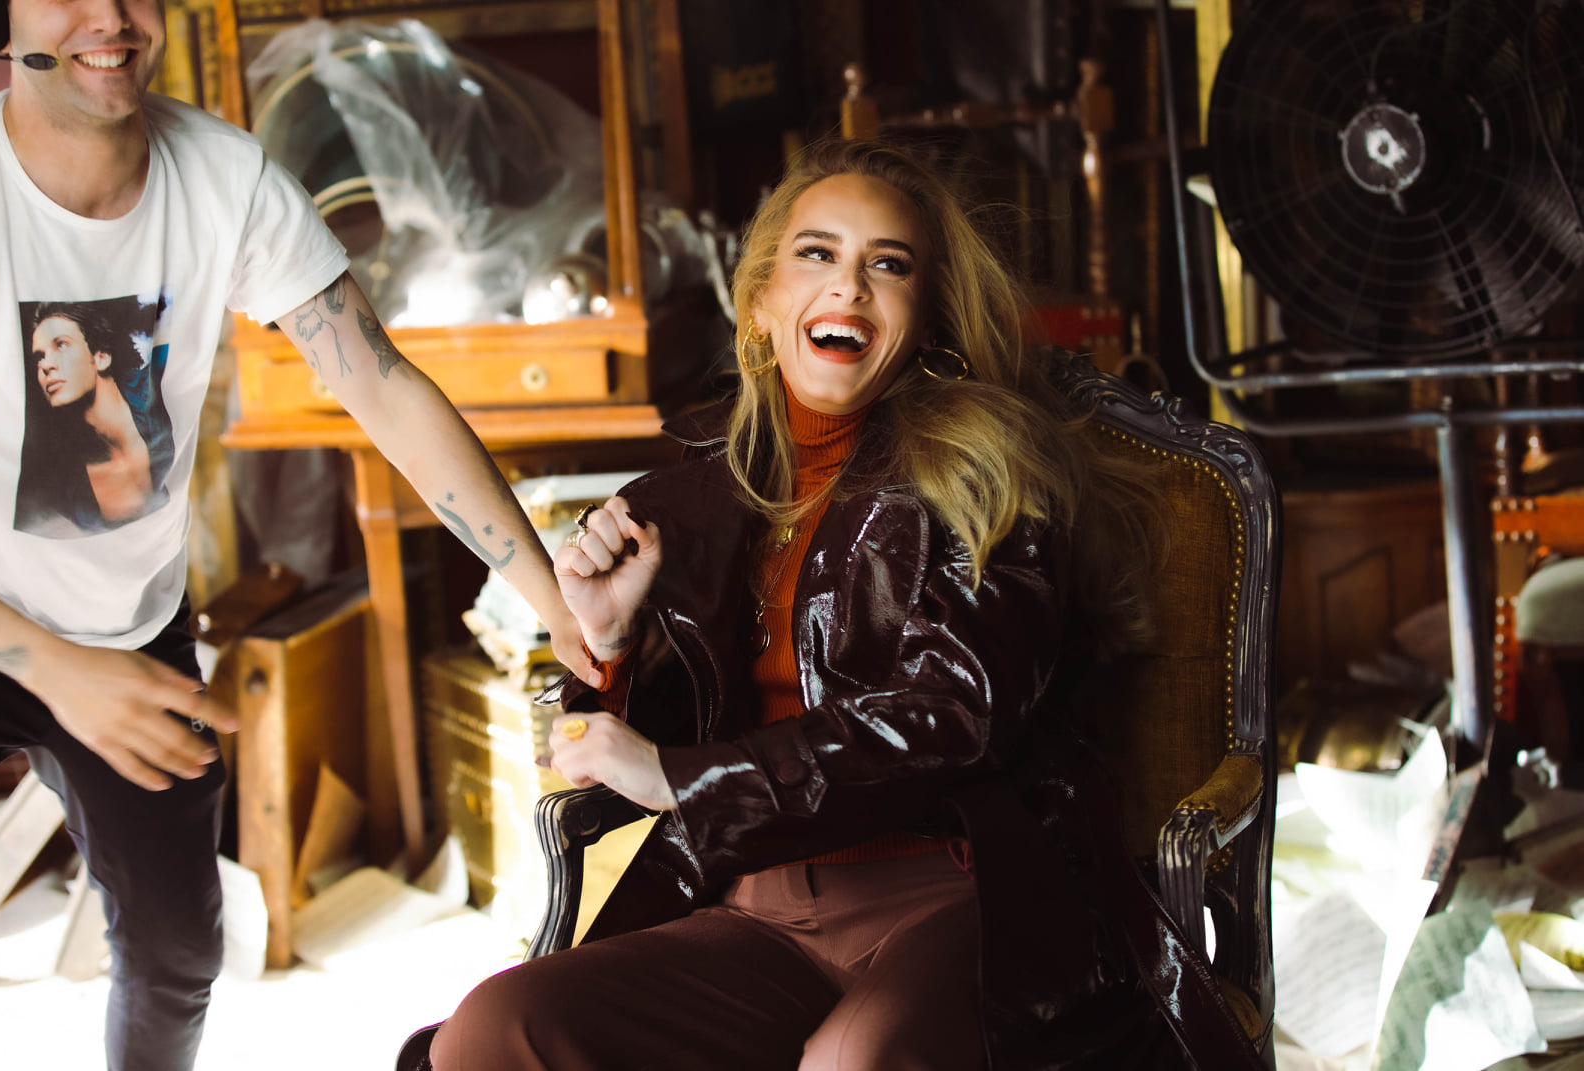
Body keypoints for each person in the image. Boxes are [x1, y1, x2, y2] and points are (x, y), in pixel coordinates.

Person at [425, 139, 1264, 1070]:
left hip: (967, 902)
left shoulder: (986, 476)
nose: (850, 285)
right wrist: (613, 641)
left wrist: (681, 779)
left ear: (926, 317)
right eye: (817, 253)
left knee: (852, 1060)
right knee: (497, 1027)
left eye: (888, 264)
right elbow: (622, 750)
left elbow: (956, 716)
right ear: (759, 303)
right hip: (757, 913)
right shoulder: (680, 506)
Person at [0, 2, 593, 1069]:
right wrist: (58, 671)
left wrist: (553, 605)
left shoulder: (223, 178)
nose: (111, 19)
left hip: (129, 630)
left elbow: (382, 387)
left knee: (178, 955)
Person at [17, 298, 175, 534]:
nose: (45, 365)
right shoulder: (64, 485)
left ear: (101, 357)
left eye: (61, 345)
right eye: (39, 357)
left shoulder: (159, 386)